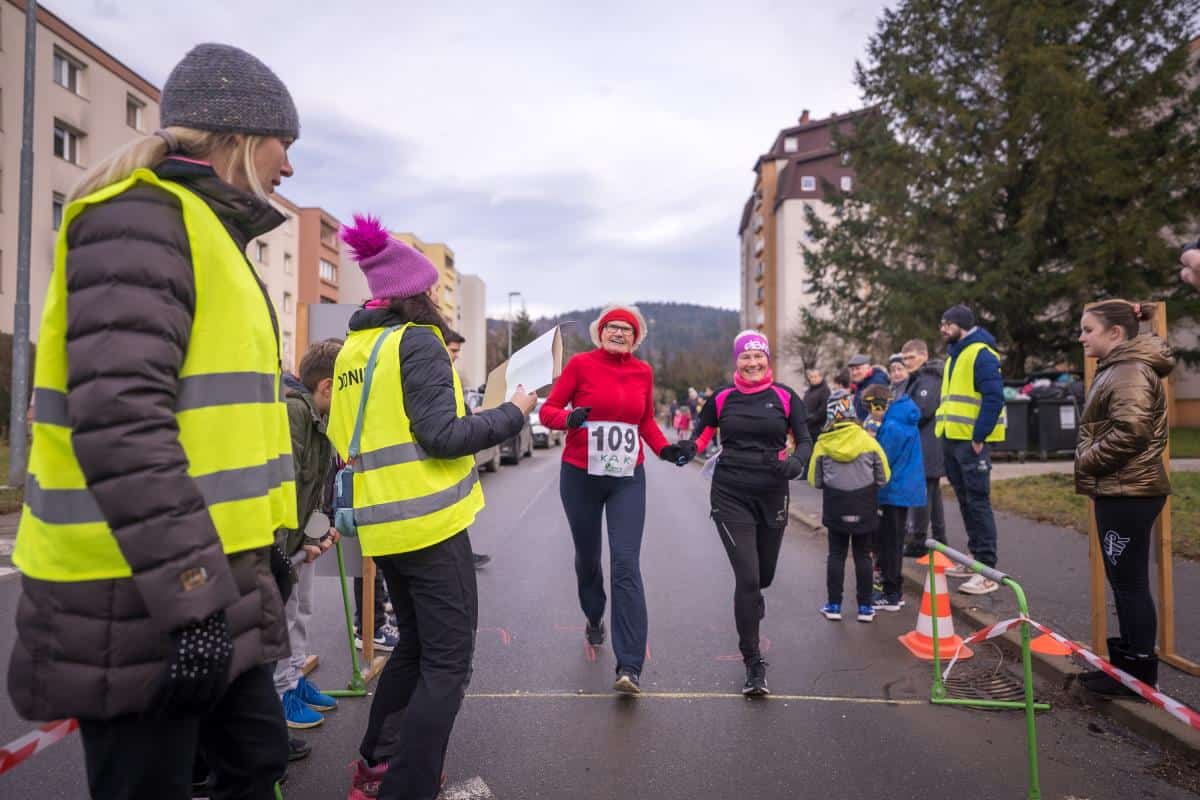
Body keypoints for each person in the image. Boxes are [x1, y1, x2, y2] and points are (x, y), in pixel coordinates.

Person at [8, 43, 300, 799]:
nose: (290, 166)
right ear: (240, 135)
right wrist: (194, 593)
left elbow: (222, 426)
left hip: (204, 576)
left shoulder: (205, 231)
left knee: (257, 758)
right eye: (284, 143)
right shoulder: (139, 218)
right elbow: (122, 424)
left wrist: (265, 552)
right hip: (135, 591)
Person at [328, 214, 536, 800]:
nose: (439, 300)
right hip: (429, 525)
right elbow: (442, 435)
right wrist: (515, 412)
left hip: (383, 526)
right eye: (433, 290)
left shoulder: (354, 350)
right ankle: (408, 788)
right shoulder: (417, 340)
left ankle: (376, 768)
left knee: (415, 649)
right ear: (413, 294)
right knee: (447, 665)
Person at [539, 304, 690, 694]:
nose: (619, 333)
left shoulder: (643, 372)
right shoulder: (580, 365)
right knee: (588, 559)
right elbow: (549, 411)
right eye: (612, 327)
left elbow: (645, 421)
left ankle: (630, 666)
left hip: (626, 478)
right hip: (581, 476)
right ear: (600, 332)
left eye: (627, 329)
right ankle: (594, 616)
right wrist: (569, 419)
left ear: (636, 338)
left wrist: (665, 450)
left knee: (625, 564)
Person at [687, 331, 811, 696]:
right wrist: (686, 449)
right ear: (737, 360)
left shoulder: (785, 397)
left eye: (758, 356)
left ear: (767, 359)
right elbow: (701, 436)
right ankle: (753, 662)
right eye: (746, 357)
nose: (752, 363)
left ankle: (754, 597)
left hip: (772, 493)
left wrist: (798, 462)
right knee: (748, 578)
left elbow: (804, 439)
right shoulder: (722, 397)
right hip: (730, 494)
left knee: (764, 577)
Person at [1075, 300, 1172, 697]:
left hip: (1128, 491)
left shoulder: (1129, 370)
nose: (1081, 338)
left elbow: (1132, 431)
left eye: (1088, 329)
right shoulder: (1117, 367)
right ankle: (1127, 670)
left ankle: (1138, 676)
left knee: (1129, 584)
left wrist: (1086, 459)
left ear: (1115, 333)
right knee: (1123, 582)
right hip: (1121, 488)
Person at [275, 342, 342, 742]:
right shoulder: (294, 413)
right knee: (284, 615)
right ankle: (281, 692)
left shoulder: (320, 416)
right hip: (284, 545)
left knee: (302, 610)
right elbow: (287, 484)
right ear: (327, 386)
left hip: (302, 540)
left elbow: (315, 488)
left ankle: (295, 676)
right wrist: (287, 550)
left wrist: (318, 533)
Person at [935, 304, 1006, 595]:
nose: (942, 329)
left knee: (978, 502)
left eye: (947, 324)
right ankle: (974, 558)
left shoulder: (981, 354)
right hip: (952, 439)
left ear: (961, 325)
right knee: (966, 501)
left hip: (970, 442)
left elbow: (994, 397)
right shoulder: (956, 354)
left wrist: (979, 435)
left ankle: (987, 571)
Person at [809, 392, 890, 624]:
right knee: (863, 556)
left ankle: (834, 606)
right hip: (864, 506)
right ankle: (865, 608)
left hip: (835, 506)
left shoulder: (823, 443)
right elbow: (884, 476)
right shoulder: (869, 441)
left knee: (836, 555)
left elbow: (815, 480)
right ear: (853, 412)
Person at [872, 388, 926, 612]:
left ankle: (892, 593)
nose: (873, 416)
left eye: (873, 410)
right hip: (903, 488)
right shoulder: (902, 418)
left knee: (891, 542)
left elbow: (883, 457)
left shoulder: (893, 425)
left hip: (893, 489)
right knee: (893, 540)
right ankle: (892, 590)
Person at [445, 328, 492, 569]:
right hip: (445, 463)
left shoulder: (447, 374)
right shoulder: (436, 375)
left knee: (457, 514)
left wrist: (472, 413)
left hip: (455, 463)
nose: (456, 356)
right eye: (453, 350)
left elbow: (456, 411)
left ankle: (463, 556)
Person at [901, 340, 946, 556]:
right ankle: (939, 539)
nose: (907, 362)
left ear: (924, 356)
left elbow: (922, 410)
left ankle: (918, 542)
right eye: (904, 358)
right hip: (925, 443)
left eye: (911, 357)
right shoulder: (919, 378)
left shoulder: (929, 379)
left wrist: (900, 418)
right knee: (932, 495)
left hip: (927, 444)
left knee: (922, 493)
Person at [847, 353, 889, 421]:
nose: (854, 373)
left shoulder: (876, 384)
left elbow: (879, 413)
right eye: (852, 369)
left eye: (858, 368)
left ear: (868, 368)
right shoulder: (860, 384)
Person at [803, 368, 831, 444]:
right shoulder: (808, 391)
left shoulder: (825, 390)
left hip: (819, 429)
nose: (813, 379)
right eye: (811, 377)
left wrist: (810, 419)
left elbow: (823, 410)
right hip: (808, 428)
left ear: (821, 377)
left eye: (815, 377)